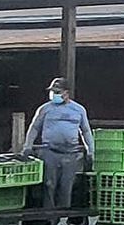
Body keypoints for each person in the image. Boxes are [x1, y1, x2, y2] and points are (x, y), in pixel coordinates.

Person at [22, 77, 93, 209]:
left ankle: (63, 217)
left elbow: (86, 131)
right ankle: (49, 216)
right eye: (52, 91)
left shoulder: (78, 110)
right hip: (49, 151)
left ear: (66, 93)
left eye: (57, 91)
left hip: (70, 153)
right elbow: (34, 127)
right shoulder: (45, 109)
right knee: (49, 184)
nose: (54, 94)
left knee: (66, 186)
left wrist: (90, 150)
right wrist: (28, 146)